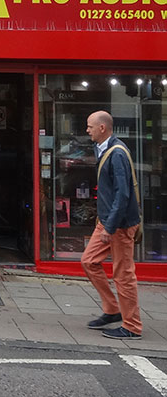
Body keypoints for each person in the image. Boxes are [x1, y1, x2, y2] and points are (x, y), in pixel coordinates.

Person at [80, 110, 142, 340]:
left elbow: (122, 194)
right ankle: (112, 309)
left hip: (119, 225)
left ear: (102, 128)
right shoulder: (106, 149)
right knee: (88, 261)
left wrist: (110, 227)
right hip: (106, 221)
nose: (88, 130)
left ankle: (132, 326)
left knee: (123, 275)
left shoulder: (116, 153)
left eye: (90, 126)